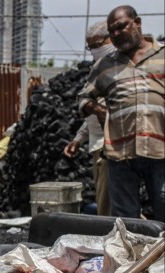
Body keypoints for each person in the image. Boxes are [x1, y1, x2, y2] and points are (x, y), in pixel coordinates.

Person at [77, 5, 165, 221]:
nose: (116, 34)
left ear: (138, 23)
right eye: (111, 31)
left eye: (121, 27)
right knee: (125, 218)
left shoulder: (162, 55)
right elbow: (83, 97)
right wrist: (97, 109)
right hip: (120, 152)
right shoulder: (104, 65)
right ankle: (131, 255)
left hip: (160, 148)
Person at [64, 21, 114, 216]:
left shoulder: (121, 69)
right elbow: (92, 112)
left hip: (111, 146)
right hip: (97, 146)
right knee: (107, 202)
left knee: (107, 205)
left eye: (97, 45)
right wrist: (78, 139)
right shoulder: (99, 70)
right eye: (90, 47)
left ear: (110, 39)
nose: (93, 51)